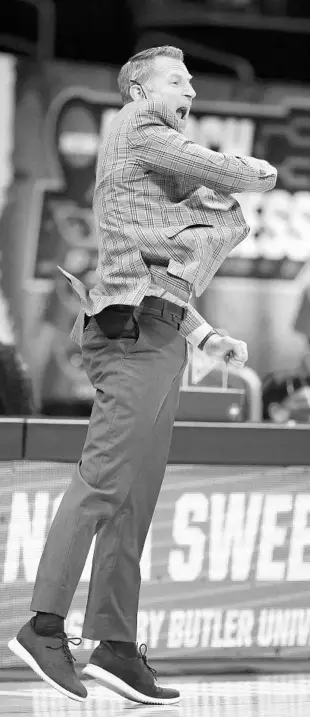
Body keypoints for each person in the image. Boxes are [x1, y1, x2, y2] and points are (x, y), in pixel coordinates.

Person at [8, 45, 277, 705]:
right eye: (176, 79)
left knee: (133, 502)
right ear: (136, 90)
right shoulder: (140, 130)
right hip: (128, 339)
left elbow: (153, 271)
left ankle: (116, 646)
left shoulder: (151, 181)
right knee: (103, 485)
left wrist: (205, 333)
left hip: (154, 333)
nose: (190, 89)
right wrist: (255, 169)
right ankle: (43, 627)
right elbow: (225, 171)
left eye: (191, 81)